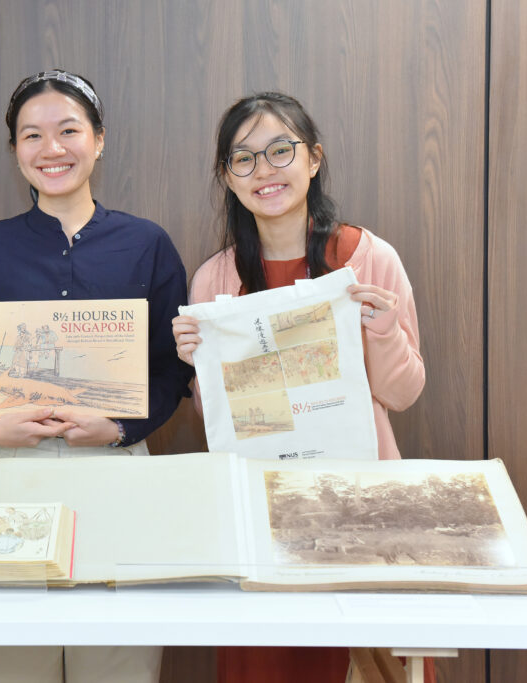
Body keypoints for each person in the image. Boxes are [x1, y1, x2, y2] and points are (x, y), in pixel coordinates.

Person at [172, 91, 429, 683]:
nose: (264, 170)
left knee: (367, 663)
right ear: (227, 177)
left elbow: (404, 393)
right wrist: (200, 366)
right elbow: (225, 426)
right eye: (244, 159)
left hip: (362, 505)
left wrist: (385, 330)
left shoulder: (367, 258)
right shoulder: (215, 277)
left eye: (280, 150)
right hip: (260, 515)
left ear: (313, 158)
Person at [0, 69, 193, 683]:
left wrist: (117, 425)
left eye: (68, 130)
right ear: (15, 152)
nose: (51, 149)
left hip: (115, 473)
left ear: (100, 139)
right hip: (7, 474)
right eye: (32, 135)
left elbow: (169, 373)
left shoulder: (147, 244)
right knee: (8, 663)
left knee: (117, 661)